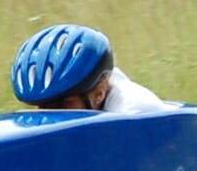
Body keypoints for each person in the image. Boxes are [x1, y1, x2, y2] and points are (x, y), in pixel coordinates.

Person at [12, 23, 165, 114]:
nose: (50, 115)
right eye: (42, 107)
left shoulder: (135, 111)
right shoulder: (95, 101)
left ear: (99, 94)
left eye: (63, 104)